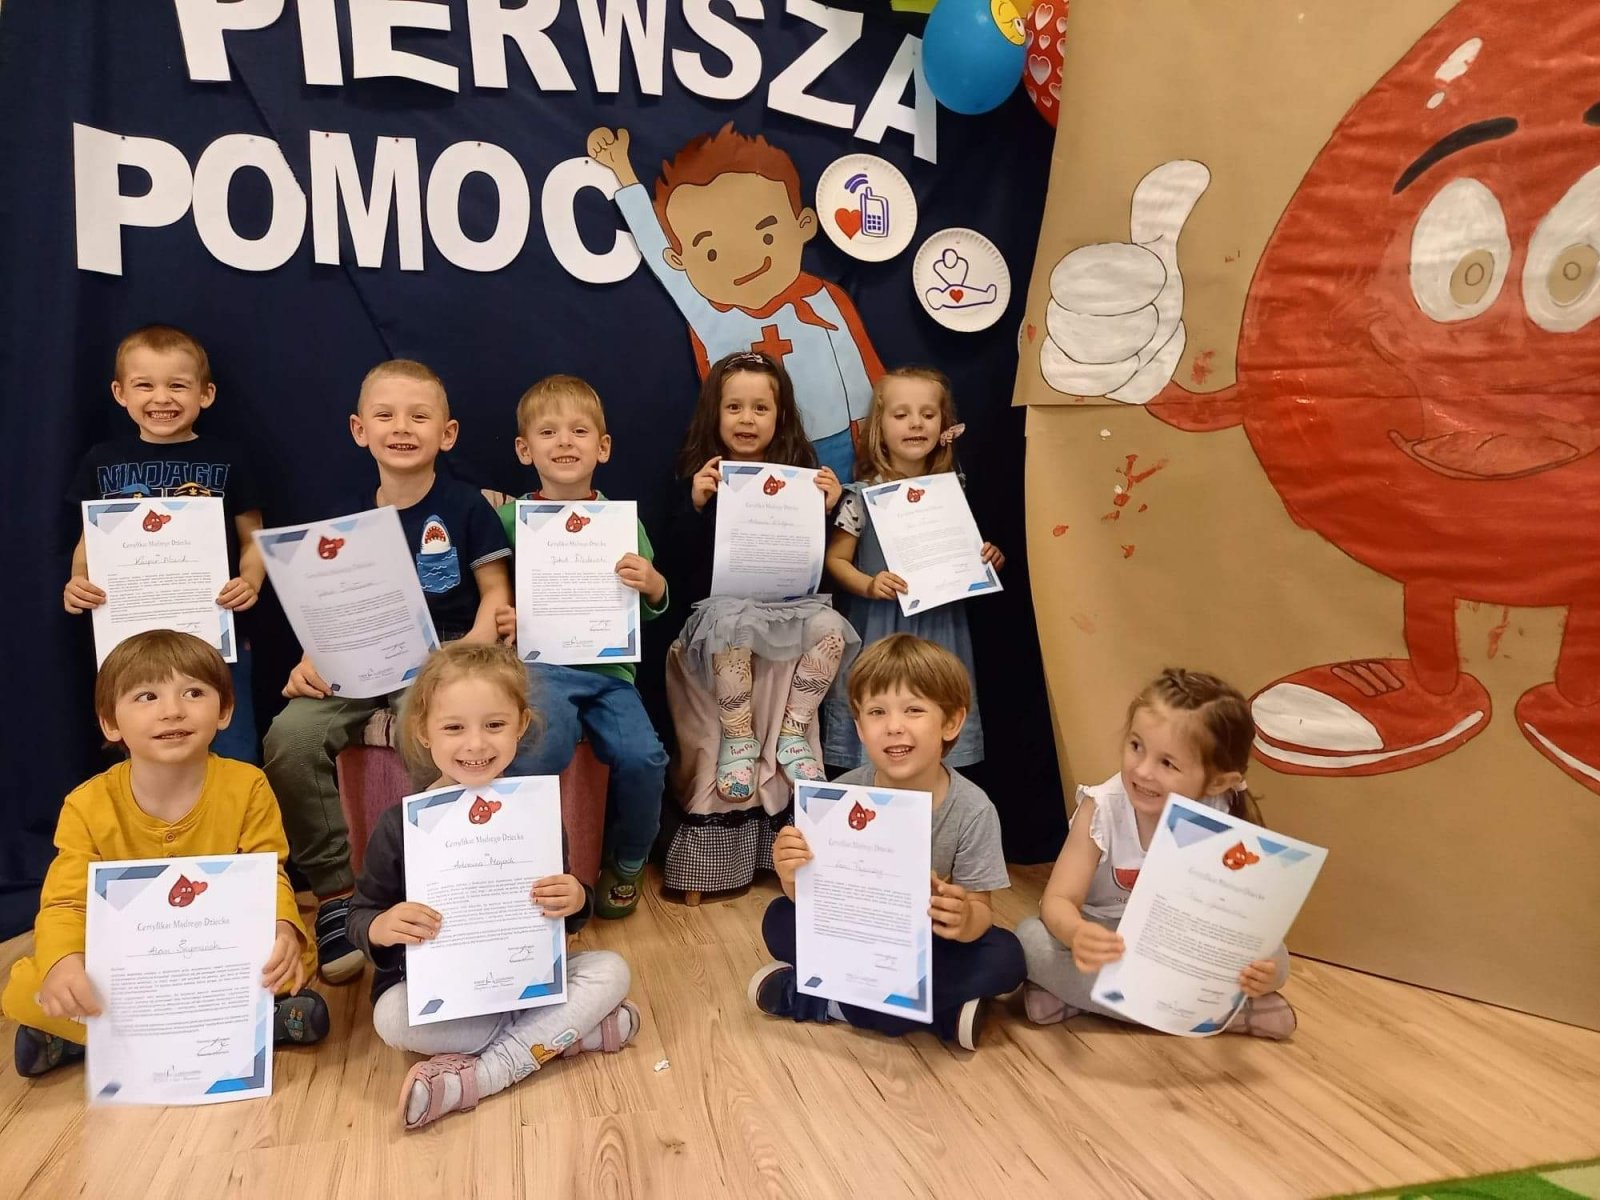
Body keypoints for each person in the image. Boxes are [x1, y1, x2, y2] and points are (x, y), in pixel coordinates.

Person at [263, 359, 526, 985]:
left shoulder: (466, 507)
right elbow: (324, 609)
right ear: (360, 430)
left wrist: (461, 660)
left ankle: (441, 886)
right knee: (288, 738)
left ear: (447, 433)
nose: (401, 427)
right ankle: (338, 897)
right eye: (385, 415)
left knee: (430, 731)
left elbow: (496, 595)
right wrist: (310, 659)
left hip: (444, 657)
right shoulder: (340, 520)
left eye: (418, 416)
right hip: (358, 657)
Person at [2, 631, 327, 1077]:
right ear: (110, 723)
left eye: (193, 693)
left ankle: (85, 1039)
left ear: (224, 710)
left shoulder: (247, 786)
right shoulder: (86, 804)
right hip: (131, 969)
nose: (172, 710)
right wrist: (64, 964)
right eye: (147, 696)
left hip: (214, 955)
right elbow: (66, 903)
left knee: (290, 962)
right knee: (27, 988)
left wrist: (283, 929)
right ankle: (250, 1026)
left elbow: (268, 875)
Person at [346, 642, 637, 1130]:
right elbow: (360, 914)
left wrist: (577, 898)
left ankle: (483, 1075)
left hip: (525, 984)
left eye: (495, 725)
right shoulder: (400, 825)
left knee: (611, 970)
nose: (476, 745)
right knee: (391, 1017)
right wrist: (381, 926)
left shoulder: (536, 814)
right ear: (423, 731)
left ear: (521, 725)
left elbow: (563, 914)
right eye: (454, 728)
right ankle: (562, 1035)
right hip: (442, 994)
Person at [748, 634, 1024, 1050]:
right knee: (778, 918)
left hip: (925, 945)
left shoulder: (973, 809)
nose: (894, 726)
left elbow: (980, 910)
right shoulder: (837, 797)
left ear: (951, 723)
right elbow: (811, 899)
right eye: (877, 712)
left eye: (914, 709)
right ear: (860, 728)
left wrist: (963, 917)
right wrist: (790, 874)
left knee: (1007, 956)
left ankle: (823, 1001)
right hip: (854, 937)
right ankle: (939, 1016)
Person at [659, 350, 859, 895]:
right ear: (715, 413)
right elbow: (674, 565)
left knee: (828, 625)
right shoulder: (699, 477)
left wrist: (829, 508)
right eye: (734, 408)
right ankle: (740, 739)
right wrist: (694, 503)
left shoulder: (801, 478)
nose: (746, 419)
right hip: (718, 613)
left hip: (785, 609)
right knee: (732, 624)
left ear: (780, 416)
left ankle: (793, 731)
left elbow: (817, 562)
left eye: (760, 408)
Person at [585, 124, 884, 481]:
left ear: (804, 224)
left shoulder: (822, 299)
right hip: (753, 454)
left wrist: (872, 445)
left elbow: (860, 372)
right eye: (711, 252)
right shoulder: (709, 314)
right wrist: (623, 170)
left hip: (836, 447)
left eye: (766, 235)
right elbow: (654, 245)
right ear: (679, 260)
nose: (745, 261)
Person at [1015, 668, 1298, 1039]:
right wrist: (1078, 934)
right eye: (1136, 746)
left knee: (1275, 957)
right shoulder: (1103, 807)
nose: (1143, 770)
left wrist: (1261, 974)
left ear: (1217, 782)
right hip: (1110, 935)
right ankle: (1223, 1014)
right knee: (1030, 941)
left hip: (1182, 942)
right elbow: (1057, 900)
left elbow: (1242, 918)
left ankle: (1085, 1000)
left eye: (1167, 763)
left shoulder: (1222, 811)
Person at [490, 375, 670, 919]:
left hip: (611, 674)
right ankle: (534, 866)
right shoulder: (506, 522)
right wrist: (504, 616)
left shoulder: (622, 523)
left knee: (645, 758)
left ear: (603, 446)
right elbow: (488, 593)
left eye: (579, 431)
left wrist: (653, 585)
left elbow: (651, 604)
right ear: (525, 449)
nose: (565, 441)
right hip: (540, 670)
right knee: (541, 750)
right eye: (548, 432)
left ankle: (630, 860)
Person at [62, 324, 265, 764]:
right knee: (141, 751)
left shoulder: (228, 458)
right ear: (120, 393)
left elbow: (254, 539)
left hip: (217, 636)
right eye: (144, 385)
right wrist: (78, 580)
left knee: (232, 748)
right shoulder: (101, 461)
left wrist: (250, 581)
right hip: (128, 640)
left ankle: (236, 814)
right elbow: (87, 542)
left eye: (177, 385)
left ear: (205, 394)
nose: (161, 398)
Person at [820, 368, 1004, 773]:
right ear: (879, 427)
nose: (916, 423)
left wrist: (987, 558)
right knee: (882, 717)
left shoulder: (953, 490)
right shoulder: (860, 496)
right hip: (880, 630)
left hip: (940, 629)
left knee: (935, 710)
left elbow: (964, 552)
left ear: (943, 424)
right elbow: (835, 562)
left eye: (927, 414)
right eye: (901, 415)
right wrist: (870, 585)